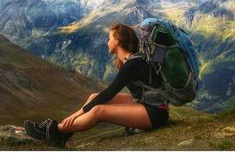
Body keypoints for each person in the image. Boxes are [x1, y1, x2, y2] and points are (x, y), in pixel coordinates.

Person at [24, 23, 169, 147]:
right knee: (94, 96)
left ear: (117, 41)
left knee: (98, 110)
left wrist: (77, 114)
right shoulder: (133, 58)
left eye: (109, 38)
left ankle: (55, 131)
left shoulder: (131, 64)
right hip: (147, 102)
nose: (107, 42)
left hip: (155, 112)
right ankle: (62, 133)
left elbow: (109, 93)